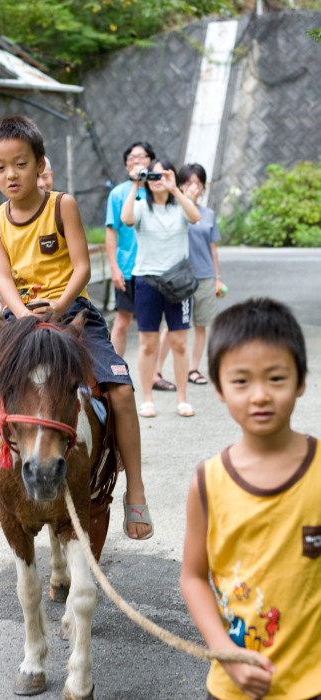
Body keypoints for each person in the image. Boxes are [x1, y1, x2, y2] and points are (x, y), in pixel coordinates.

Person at [0, 115, 153, 540]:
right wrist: (25, 315)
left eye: (20, 163)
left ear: (39, 164)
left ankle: (135, 491)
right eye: (0, 167)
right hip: (20, 320)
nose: (10, 174)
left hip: (74, 314)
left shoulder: (61, 204)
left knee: (122, 391)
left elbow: (83, 267)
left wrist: (59, 307)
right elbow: (2, 277)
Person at [181, 297, 321, 700]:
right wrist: (225, 653)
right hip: (235, 687)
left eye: (276, 378)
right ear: (220, 388)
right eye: (241, 381)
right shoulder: (207, 483)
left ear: (300, 381)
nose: (259, 395)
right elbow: (193, 577)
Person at [121, 158, 200, 418]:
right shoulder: (142, 207)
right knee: (147, 344)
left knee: (179, 342)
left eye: (162, 176)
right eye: (152, 176)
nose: (157, 181)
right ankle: (147, 399)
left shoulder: (180, 207)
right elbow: (127, 218)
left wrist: (175, 187)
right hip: (147, 281)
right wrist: (135, 184)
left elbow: (195, 216)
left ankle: (182, 398)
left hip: (178, 283)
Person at [105, 142, 173, 390]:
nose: (137, 161)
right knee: (122, 322)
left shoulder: (160, 191)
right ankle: (116, 373)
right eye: (131, 158)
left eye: (142, 157)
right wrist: (114, 267)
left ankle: (154, 374)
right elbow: (111, 233)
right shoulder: (119, 193)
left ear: (152, 162)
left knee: (153, 326)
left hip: (156, 268)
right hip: (128, 267)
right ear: (126, 165)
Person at [156, 163, 227, 386]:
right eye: (188, 183)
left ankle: (194, 369)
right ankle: (156, 370)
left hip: (205, 276)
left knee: (201, 325)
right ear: (180, 185)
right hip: (180, 278)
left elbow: (212, 248)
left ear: (204, 187)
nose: (193, 188)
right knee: (173, 326)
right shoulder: (174, 211)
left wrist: (217, 276)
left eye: (198, 184)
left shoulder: (209, 214)